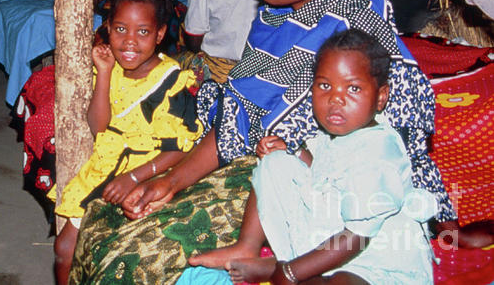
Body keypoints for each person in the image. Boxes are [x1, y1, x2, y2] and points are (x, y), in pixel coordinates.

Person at [121, 0, 456, 232]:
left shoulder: (352, 25)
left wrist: (442, 220)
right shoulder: (272, 21)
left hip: (344, 182)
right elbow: (238, 116)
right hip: (274, 159)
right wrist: (171, 182)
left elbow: (403, 131)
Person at [185, 29, 436, 285]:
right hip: (330, 238)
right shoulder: (332, 134)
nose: (336, 99)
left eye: (353, 88)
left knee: (341, 282)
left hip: (378, 259)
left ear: (381, 97)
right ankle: (247, 247)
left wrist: (290, 273)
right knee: (276, 163)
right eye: (325, 85)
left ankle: (280, 268)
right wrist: (294, 152)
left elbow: (358, 236)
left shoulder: (379, 153)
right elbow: (323, 174)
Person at [53, 0, 205, 284]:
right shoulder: (109, 68)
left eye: (143, 32)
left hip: (151, 173)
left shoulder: (172, 82)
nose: (129, 41)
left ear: (160, 34)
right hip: (108, 168)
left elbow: (183, 147)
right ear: (107, 28)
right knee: (65, 247)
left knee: (120, 256)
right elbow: (99, 127)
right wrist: (106, 73)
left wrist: (134, 177)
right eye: (120, 29)